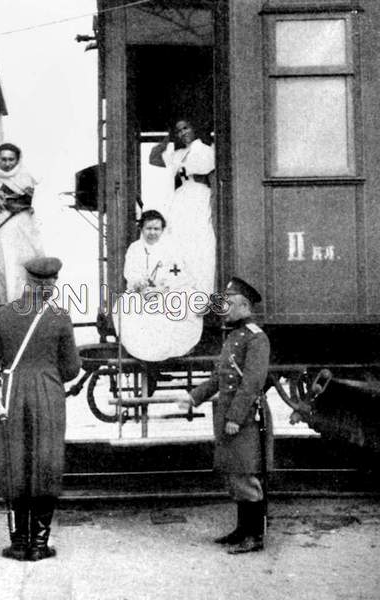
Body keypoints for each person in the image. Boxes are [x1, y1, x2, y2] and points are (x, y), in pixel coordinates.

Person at [0, 256, 81, 561]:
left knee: (15, 466)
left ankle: (19, 543)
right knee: (45, 466)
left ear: (28, 282)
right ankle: (39, 544)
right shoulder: (60, 317)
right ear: (50, 284)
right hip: (49, 396)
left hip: (11, 397)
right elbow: (72, 368)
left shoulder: (1, 316)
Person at [179, 277, 272, 554]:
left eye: (229, 303)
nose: (224, 308)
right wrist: (193, 397)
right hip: (229, 418)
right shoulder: (233, 336)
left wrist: (235, 417)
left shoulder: (256, 337)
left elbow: (252, 383)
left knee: (246, 476)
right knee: (234, 474)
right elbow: (220, 378)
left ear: (244, 305)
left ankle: (254, 536)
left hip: (242, 419)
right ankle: (242, 530)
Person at [118, 209, 203, 362]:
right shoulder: (135, 248)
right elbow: (131, 272)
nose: (152, 233)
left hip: (167, 291)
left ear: (163, 230)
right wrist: (141, 285)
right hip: (142, 293)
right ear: (141, 229)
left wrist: (163, 288)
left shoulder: (171, 249)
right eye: (148, 228)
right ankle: (144, 350)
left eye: (156, 229)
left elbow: (180, 274)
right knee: (128, 306)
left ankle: (171, 349)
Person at [149, 118, 216, 295]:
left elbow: (212, 178)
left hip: (199, 195)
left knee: (201, 242)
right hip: (182, 197)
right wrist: (167, 138)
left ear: (194, 128)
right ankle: (183, 288)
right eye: (178, 131)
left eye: (186, 128)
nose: (183, 133)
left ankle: (202, 290)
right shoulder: (178, 154)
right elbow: (154, 157)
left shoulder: (206, 150)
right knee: (179, 241)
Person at [0, 142, 44, 310]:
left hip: (22, 226)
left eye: (11, 160)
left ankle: (22, 306)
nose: (7, 164)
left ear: (17, 160)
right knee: (0, 266)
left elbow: (32, 202)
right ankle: (4, 306)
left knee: (22, 267)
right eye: (3, 159)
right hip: (0, 226)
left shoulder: (27, 176)